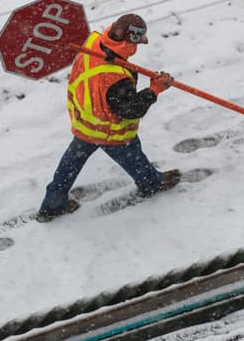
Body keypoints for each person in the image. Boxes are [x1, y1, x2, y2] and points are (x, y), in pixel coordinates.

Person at [36, 13, 181, 222]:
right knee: (133, 156)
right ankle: (151, 184)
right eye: (138, 42)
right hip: (108, 129)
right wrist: (155, 89)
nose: (139, 46)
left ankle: (52, 205)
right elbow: (131, 109)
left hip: (85, 120)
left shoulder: (94, 42)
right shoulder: (114, 77)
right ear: (129, 41)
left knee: (70, 164)